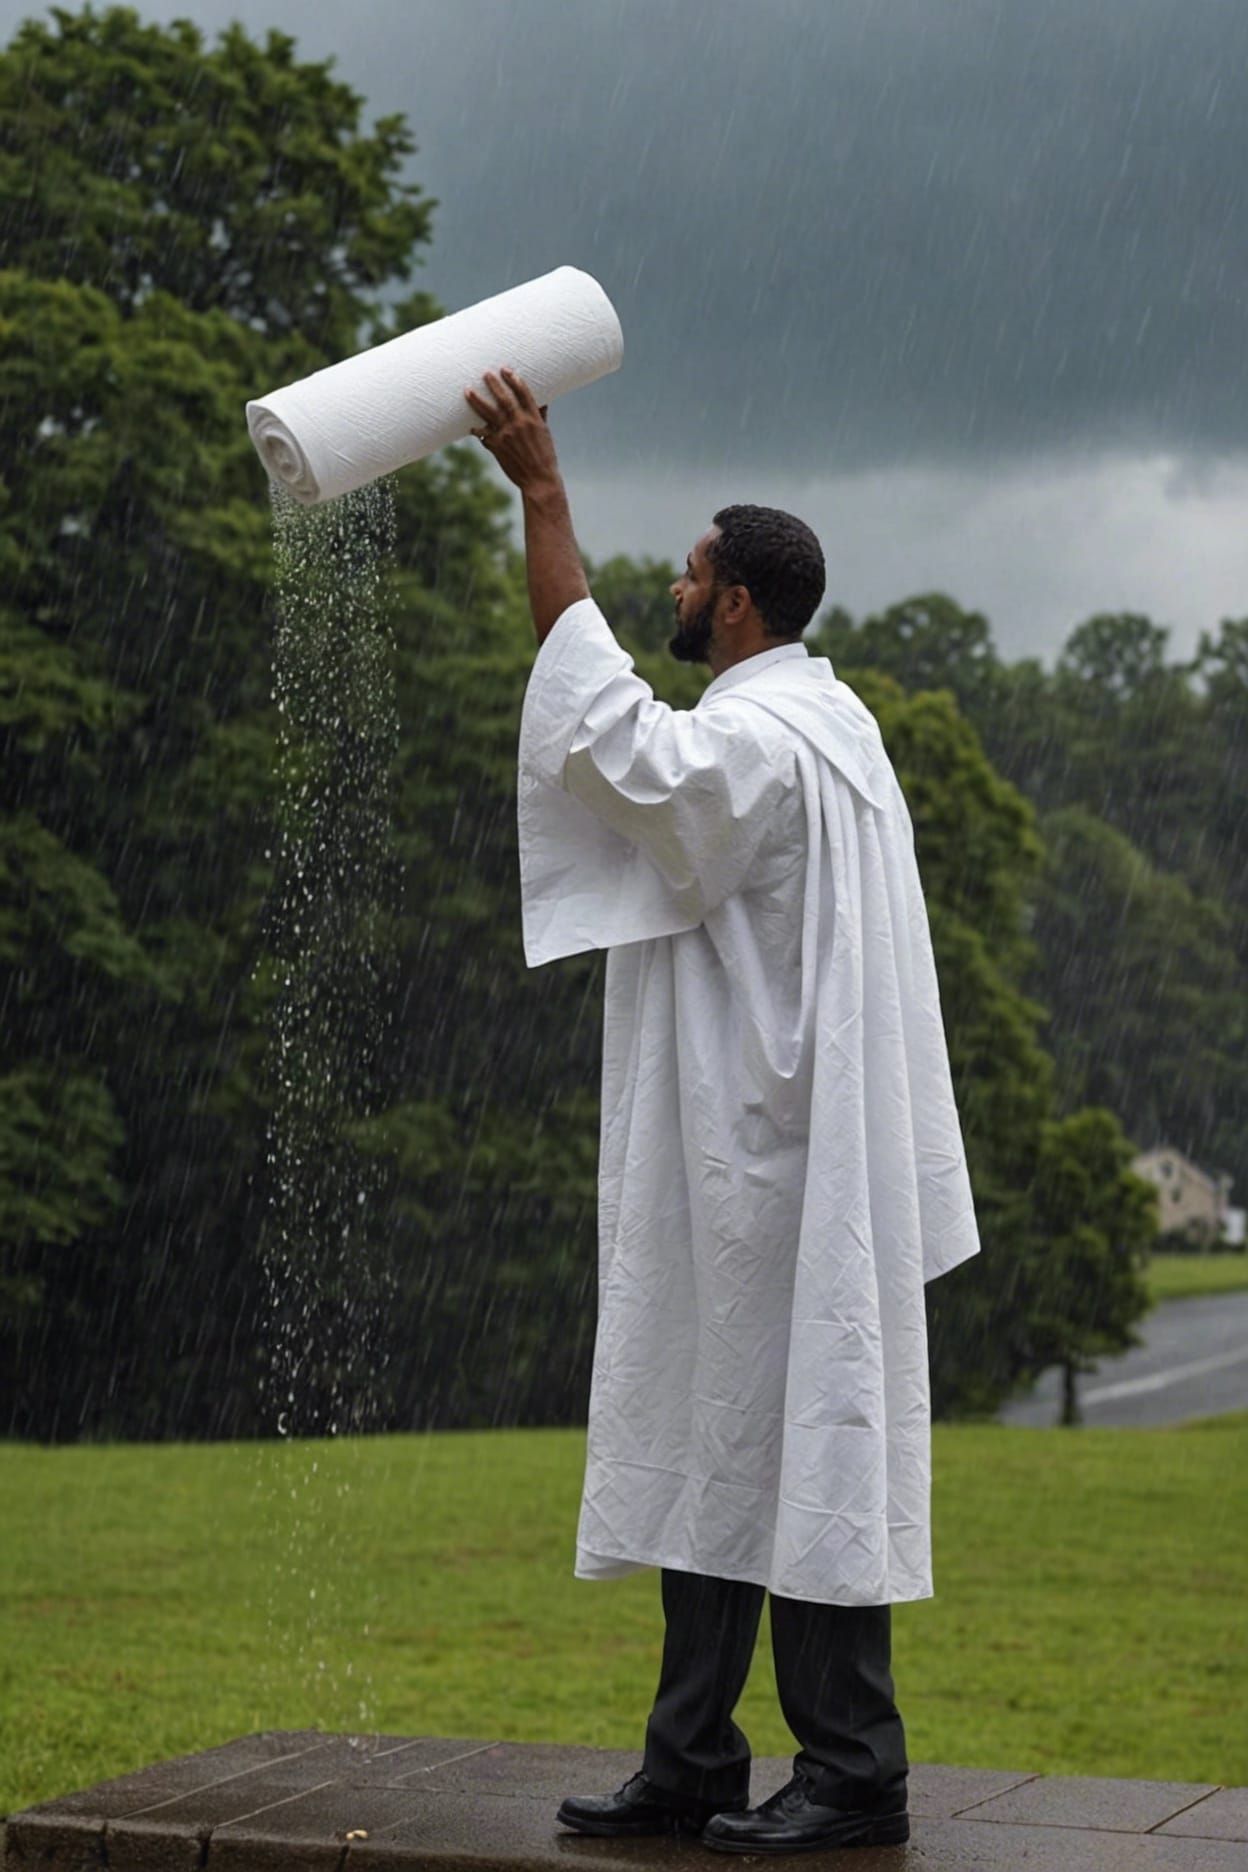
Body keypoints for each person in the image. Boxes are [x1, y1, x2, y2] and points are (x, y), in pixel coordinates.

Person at [463, 368, 981, 1855]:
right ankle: (690, 1758)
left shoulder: (760, 744)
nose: (675, 591)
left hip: (776, 1158)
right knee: (722, 1430)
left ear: (738, 604)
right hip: (766, 1149)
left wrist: (542, 495)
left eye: (692, 575)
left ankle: (856, 1774)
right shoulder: (836, 729)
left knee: (813, 1436)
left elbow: (610, 741)